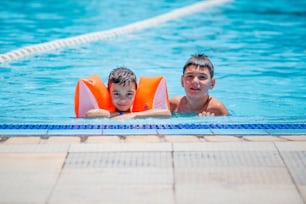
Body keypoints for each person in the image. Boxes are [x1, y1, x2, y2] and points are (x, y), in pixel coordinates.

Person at [86, 67, 171, 119]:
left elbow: (166, 113)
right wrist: (120, 114)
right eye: (116, 94)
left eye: (129, 94)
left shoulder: (137, 110)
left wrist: (133, 115)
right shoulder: (105, 109)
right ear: (108, 90)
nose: (123, 100)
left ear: (136, 90)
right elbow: (89, 114)